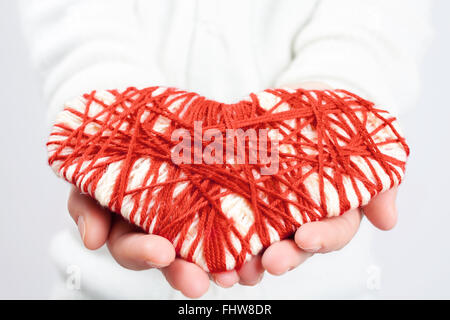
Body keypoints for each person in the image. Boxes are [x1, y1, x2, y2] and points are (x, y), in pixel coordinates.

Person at [19, 0, 432, 299]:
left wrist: (338, 96)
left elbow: (383, 16)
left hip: (330, 286)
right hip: (99, 286)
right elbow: (75, 17)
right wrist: (108, 96)